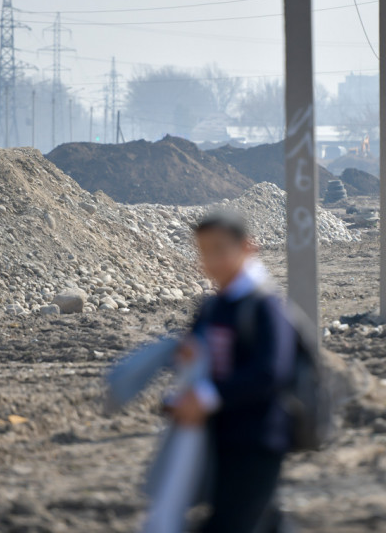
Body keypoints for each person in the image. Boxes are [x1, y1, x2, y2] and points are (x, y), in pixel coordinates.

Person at [167, 210, 297, 533]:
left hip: (258, 439)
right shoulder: (212, 307)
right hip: (219, 436)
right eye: (204, 252)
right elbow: (199, 353)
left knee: (229, 523)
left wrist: (207, 396)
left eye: (220, 249)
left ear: (248, 248)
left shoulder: (264, 305)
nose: (211, 260)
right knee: (261, 521)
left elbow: (272, 371)